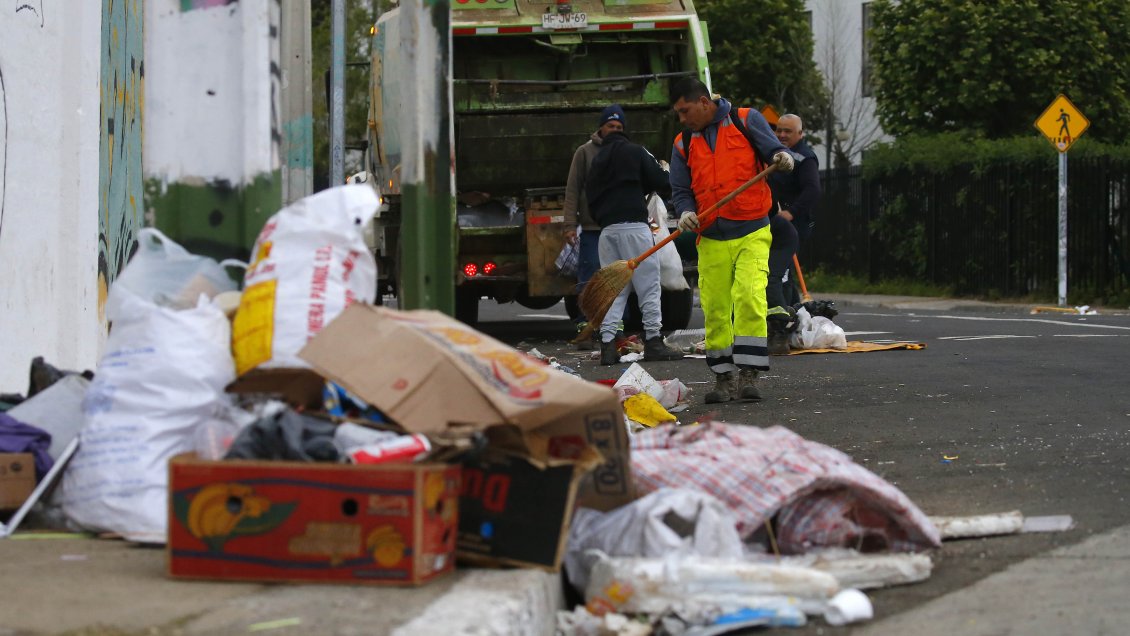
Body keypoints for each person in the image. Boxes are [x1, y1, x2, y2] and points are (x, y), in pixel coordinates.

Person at [668, 78, 793, 403]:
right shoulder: (683, 143)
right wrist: (684, 212)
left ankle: (749, 374)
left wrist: (782, 155)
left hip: (751, 229)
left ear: (704, 103)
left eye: (685, 110)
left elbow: (773, 151)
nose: (682, 119)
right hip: (710, 236)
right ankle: (723, 377)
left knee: (750, 296)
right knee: (716, 307)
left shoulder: (746, 119)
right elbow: (681, 191)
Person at [585, 104, 683, 365]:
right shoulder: (636, 151)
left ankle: (608, 345)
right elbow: (663, 183)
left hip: (607, 232)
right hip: (635, 229)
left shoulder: (597, 160)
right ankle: (653, 341)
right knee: (648, 285)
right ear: (623, 131)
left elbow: (589, 198)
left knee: (615, 289)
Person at [563, 105, 627, 348]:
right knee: (589, 277)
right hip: (591, 228)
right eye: (610, 126)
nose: (614, 130)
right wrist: (570, 224)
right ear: (601, 127)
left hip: (617, 226)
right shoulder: (584, 152)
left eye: (619, 127)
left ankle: (615, 326)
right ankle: (585, 325)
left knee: (616, 277)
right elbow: (572, 189)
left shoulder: (626, 152)